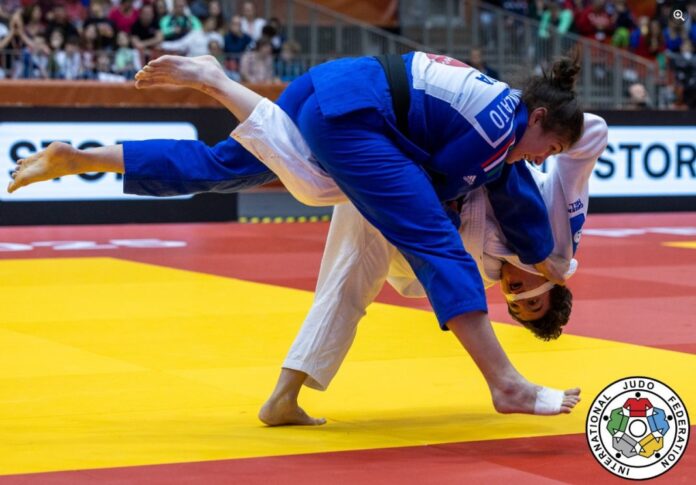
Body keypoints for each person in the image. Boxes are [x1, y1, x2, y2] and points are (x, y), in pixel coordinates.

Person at [8, 52, 584, 418]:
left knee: (223, 166)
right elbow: (430, 198)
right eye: (550, 148)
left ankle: (83, 157)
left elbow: (441, 175)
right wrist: (548, 256)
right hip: (357, 113)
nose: (542, 160)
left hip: (332, 86)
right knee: (411, 231)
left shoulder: (502, 118)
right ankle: (506, 384)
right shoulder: (500, 131)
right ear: (537, 118)